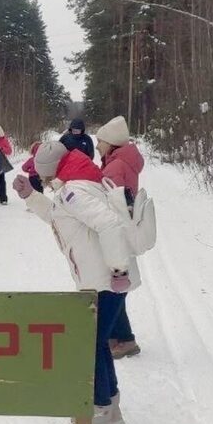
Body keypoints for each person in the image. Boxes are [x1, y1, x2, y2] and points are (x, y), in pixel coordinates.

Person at [13, 141, 140, 424]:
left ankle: (98, 416)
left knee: (89, 344)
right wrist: (31, 196)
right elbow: (58, 214)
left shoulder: (74, 191)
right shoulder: (77, 184)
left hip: (105, 281)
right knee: (98, 342)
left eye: (40, 177)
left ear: (49, 171)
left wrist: (118, 269)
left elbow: (108, 224)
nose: (41, 180)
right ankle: (110, 408)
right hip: (104, 280)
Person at [96, 116, 145, 359]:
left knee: (113, 287)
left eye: (100, 141)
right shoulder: (123, 161)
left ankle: (125, 338)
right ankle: (117, 335)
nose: (97, 146)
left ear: (111, 142)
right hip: (123, 226)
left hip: (116, 229)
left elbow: (109, 202)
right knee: (114, 286)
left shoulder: (115, 167)